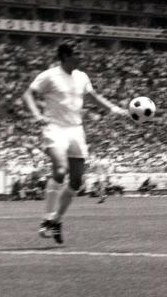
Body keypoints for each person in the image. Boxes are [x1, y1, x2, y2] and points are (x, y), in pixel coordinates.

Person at [23, 42, 130, 243]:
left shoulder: (81, 77)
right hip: (54, 128)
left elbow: (93, 97)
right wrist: (37, 115)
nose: (81, 57)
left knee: (77, 181)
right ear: (64, 56)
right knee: (61, 170)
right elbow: (28, 94)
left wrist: (115, 110)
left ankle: (57, 220)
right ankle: (47, 218)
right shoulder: (49, 75)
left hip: (76, 129)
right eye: (77, 54)